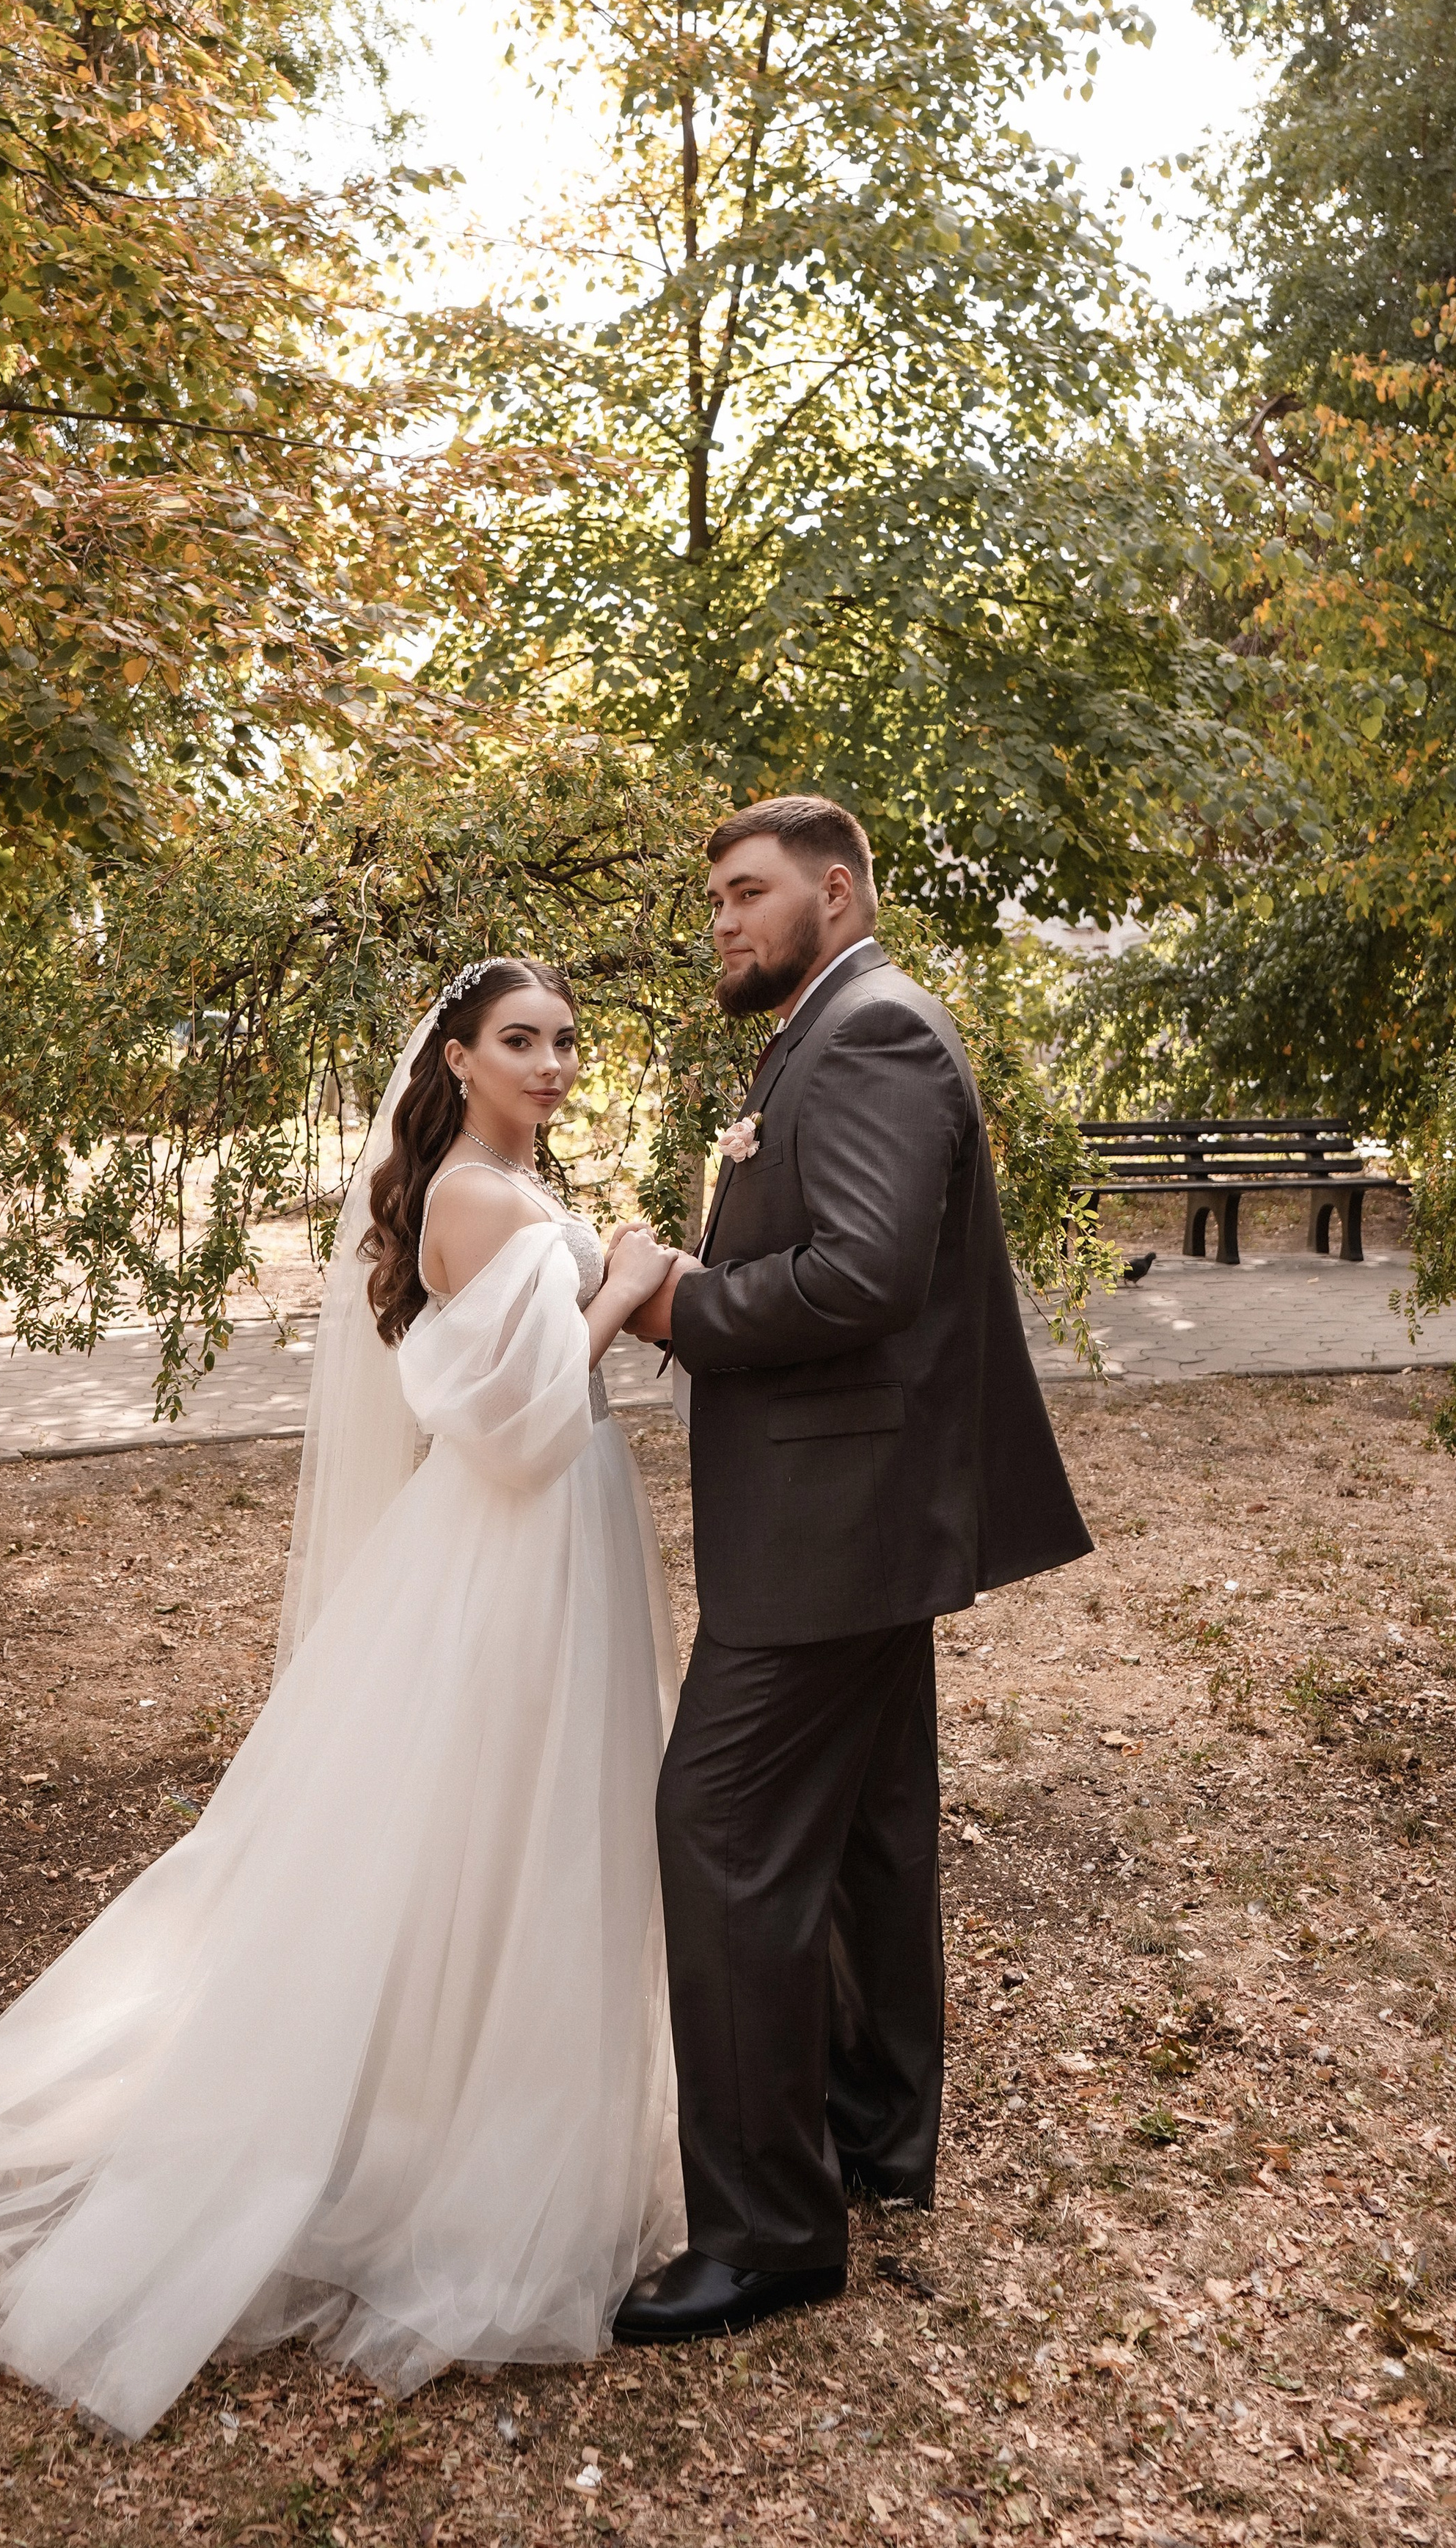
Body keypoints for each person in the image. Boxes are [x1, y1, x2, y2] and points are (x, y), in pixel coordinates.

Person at [0, 959, 685, 2438]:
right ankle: (451, 2126)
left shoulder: (498, 1186)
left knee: (500, 1810)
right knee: (498, 1810)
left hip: (549, 1544)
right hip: (522, 1538)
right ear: (458, 1060)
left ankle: (483, 2082)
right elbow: (511, 1427)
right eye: (518, 1043)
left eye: (561, 1041)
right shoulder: (480, 1198)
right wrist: (619, 1278)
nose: (549, 1065)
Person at [613, 797, 1093, 2345]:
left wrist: (678, 1303)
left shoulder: (873, 1032)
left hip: (837, 1527)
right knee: (868, 1829)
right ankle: (873, 2135)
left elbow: (863, 1273)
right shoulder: (832, 1025)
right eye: (712, 903)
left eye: (746, 894)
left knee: (721, 1824)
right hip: (855, 1517)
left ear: (835, 890)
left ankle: (768, 2233)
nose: (724, 925)